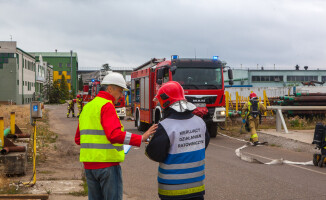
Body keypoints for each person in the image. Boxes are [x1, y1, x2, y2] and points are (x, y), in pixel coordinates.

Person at [75, 72, 157, 200]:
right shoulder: (107, 106)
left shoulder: (88, 107)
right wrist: (141, 138)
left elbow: (78, 139)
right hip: (107, 166)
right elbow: (114, 135)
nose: (121, 95)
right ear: (109, 89)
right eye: (120, 91)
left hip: (89, 167)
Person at [145, 81, 210, 200]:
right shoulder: (200, 122)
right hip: (197, 189)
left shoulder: (165, 126)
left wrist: (149, 142)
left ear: (165, 101)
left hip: (171, 191)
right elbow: (203, 145)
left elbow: (154, 154)